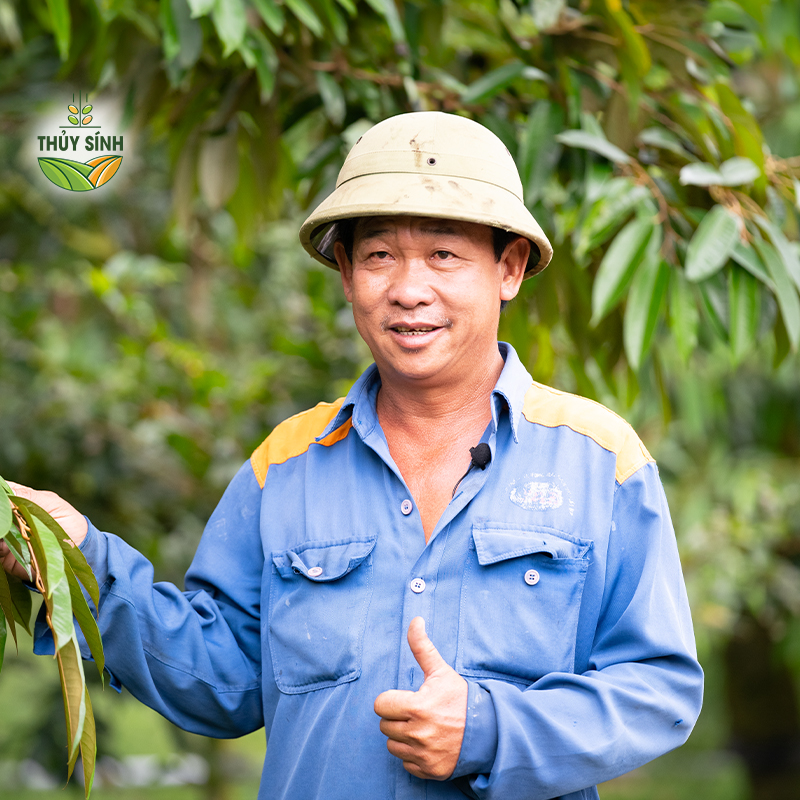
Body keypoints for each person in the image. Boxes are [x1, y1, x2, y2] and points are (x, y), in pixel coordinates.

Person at [1, 111, 703, 800]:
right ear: (346, 273)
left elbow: (656, 689)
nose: (407, 289)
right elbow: (223, 680)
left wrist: (490, 730)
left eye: (444, 254)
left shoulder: (598, 461)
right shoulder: (286, 466)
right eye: (378, 255)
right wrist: (77, 560)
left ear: (509, 268)